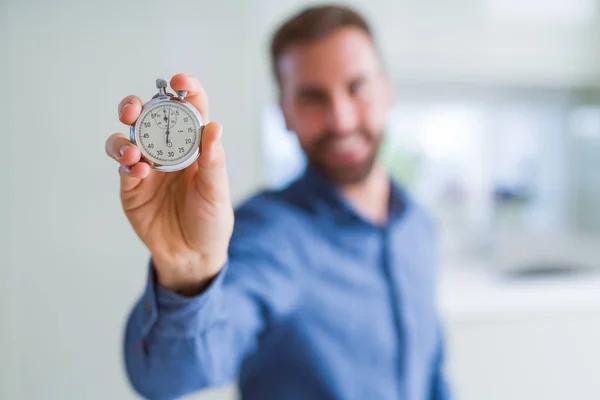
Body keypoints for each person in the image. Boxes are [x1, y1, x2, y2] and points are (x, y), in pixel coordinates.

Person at [105, 4, 450, 400]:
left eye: (357, 87)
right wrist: (188, 271)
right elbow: (166, 377)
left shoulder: (419, 225)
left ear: (387, 91)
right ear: (284, 112)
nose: (341, 119)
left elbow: (433, 369)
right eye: (312, 97)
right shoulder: (268, 234)